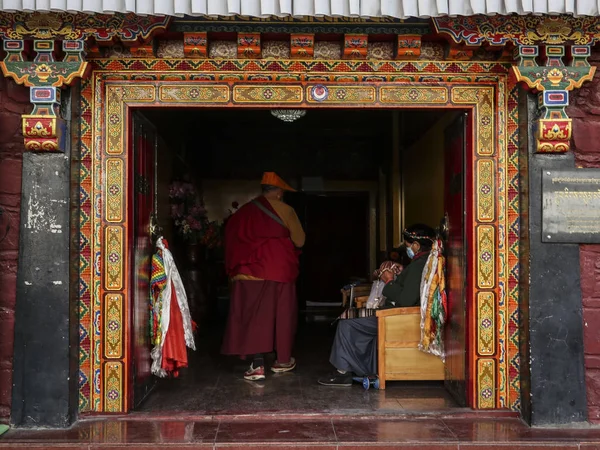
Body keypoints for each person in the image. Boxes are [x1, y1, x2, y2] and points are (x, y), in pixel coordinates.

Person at [318, 223, 436, 387]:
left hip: (399, 317)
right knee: (353, 317)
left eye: (409, 245)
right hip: (396, 314)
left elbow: (406, 300)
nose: (408, 249)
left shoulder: (419, 265)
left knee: (347, 324)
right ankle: (364, 368)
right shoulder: (423, 262)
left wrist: (388, 280)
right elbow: (410, 286)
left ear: (416, 245)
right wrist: (401, 272)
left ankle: (342, 372)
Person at [221, 172, 306, 381]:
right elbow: (300, 241)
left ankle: (257, 365)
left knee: (254, 318)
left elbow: (231, 236)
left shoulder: (245, 212)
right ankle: (282, 360)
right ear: (278, 192)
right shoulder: (286, 210)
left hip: (250, 273)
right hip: (280, 270)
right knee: (282, 315)